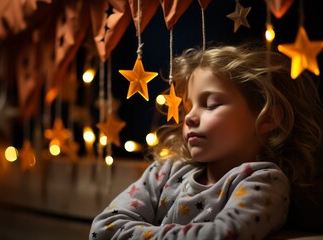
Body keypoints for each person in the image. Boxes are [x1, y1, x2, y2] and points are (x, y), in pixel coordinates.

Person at [89, 44, 323, 240]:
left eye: (210, 104)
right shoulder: (164, 172)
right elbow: (104, 229)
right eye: (187, 107)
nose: (189, 117)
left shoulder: (264, 181)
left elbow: (221, 235)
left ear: (267, 117)